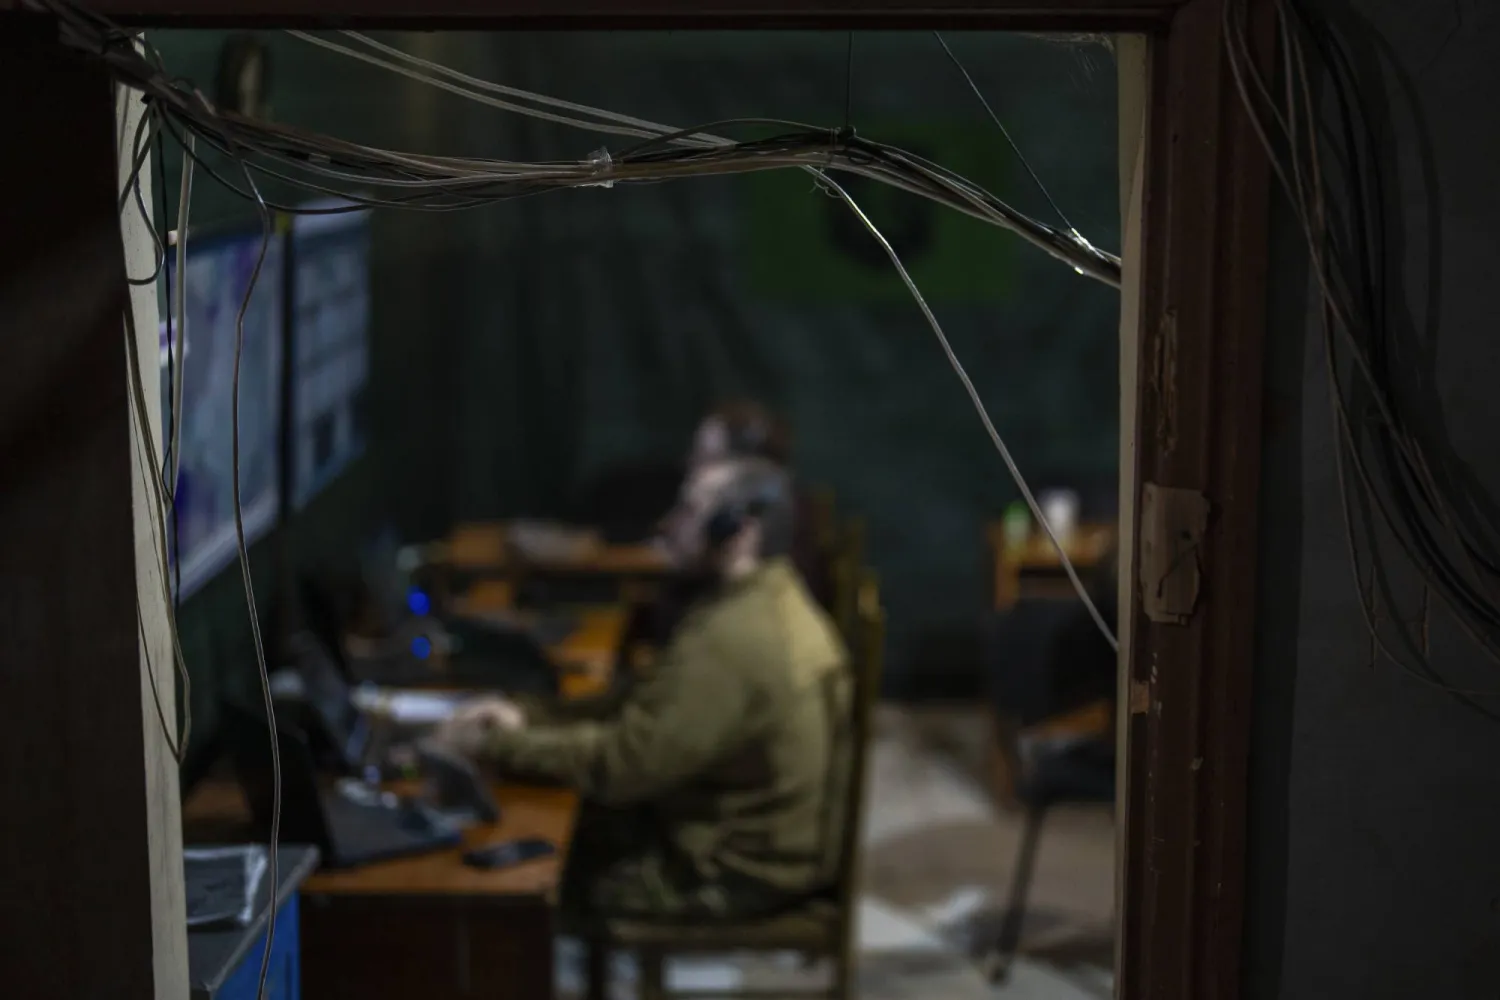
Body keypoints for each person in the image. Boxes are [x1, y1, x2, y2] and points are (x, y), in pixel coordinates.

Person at [434, 456, 851, 927]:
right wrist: (528, 716)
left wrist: (493, 745)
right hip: (741, 843)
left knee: (504, 883)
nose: (669, 523)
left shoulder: (734, 640)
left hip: (725, 873)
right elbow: (638, 704)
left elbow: (624, 768)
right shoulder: (759, 600)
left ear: (738, 531)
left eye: (690, 512)